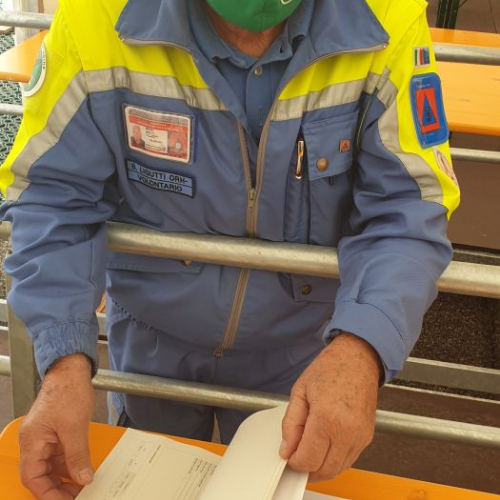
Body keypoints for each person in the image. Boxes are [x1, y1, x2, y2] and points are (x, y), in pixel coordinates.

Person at [0, 0, 460, 499]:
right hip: (153, 347)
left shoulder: (387, 14)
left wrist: (361, 348)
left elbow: (408, 209)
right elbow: (52, 198)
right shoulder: (97, 14)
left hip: (302, 351)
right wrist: (64, 358)